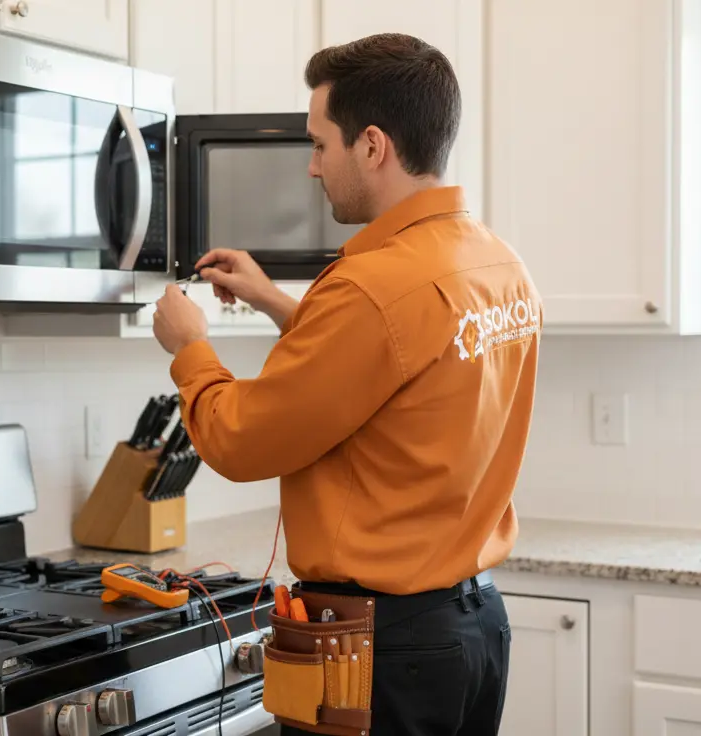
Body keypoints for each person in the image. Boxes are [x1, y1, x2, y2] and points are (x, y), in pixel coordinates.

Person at [150, 32, 541, 736]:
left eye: (320, 144)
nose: (311, 167)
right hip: (473, 628)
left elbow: (239, 441)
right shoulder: (494, 262)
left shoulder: (373, 288)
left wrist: (191, 349)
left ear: (372, 146)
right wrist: (275, 301)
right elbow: (397, 370)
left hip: (388, 650)